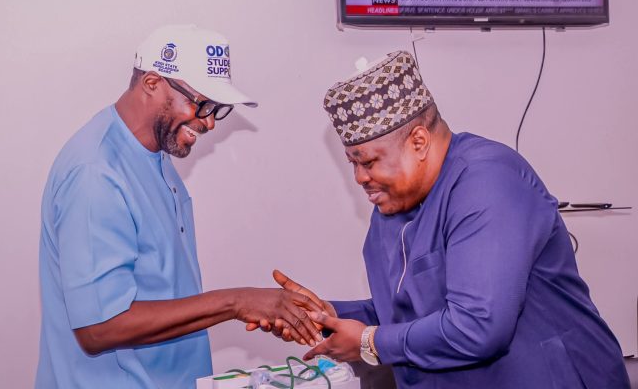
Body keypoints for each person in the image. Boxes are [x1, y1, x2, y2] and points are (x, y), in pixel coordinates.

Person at [258, 51, 630, 388]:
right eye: (352, 163)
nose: (359, 177)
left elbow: (478, 326)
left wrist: (369, 342)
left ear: (419, 142)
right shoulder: (393, 204)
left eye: (368, 161)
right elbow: (409, 312)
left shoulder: (487, 182)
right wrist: (329, 315)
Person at [36, 25, 323, 389]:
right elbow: (99, 327)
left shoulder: (154, 154)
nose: (209, 122)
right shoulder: (96, 174)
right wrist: (236, 302)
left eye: (218, 109)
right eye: (201, 104)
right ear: (152, 83)